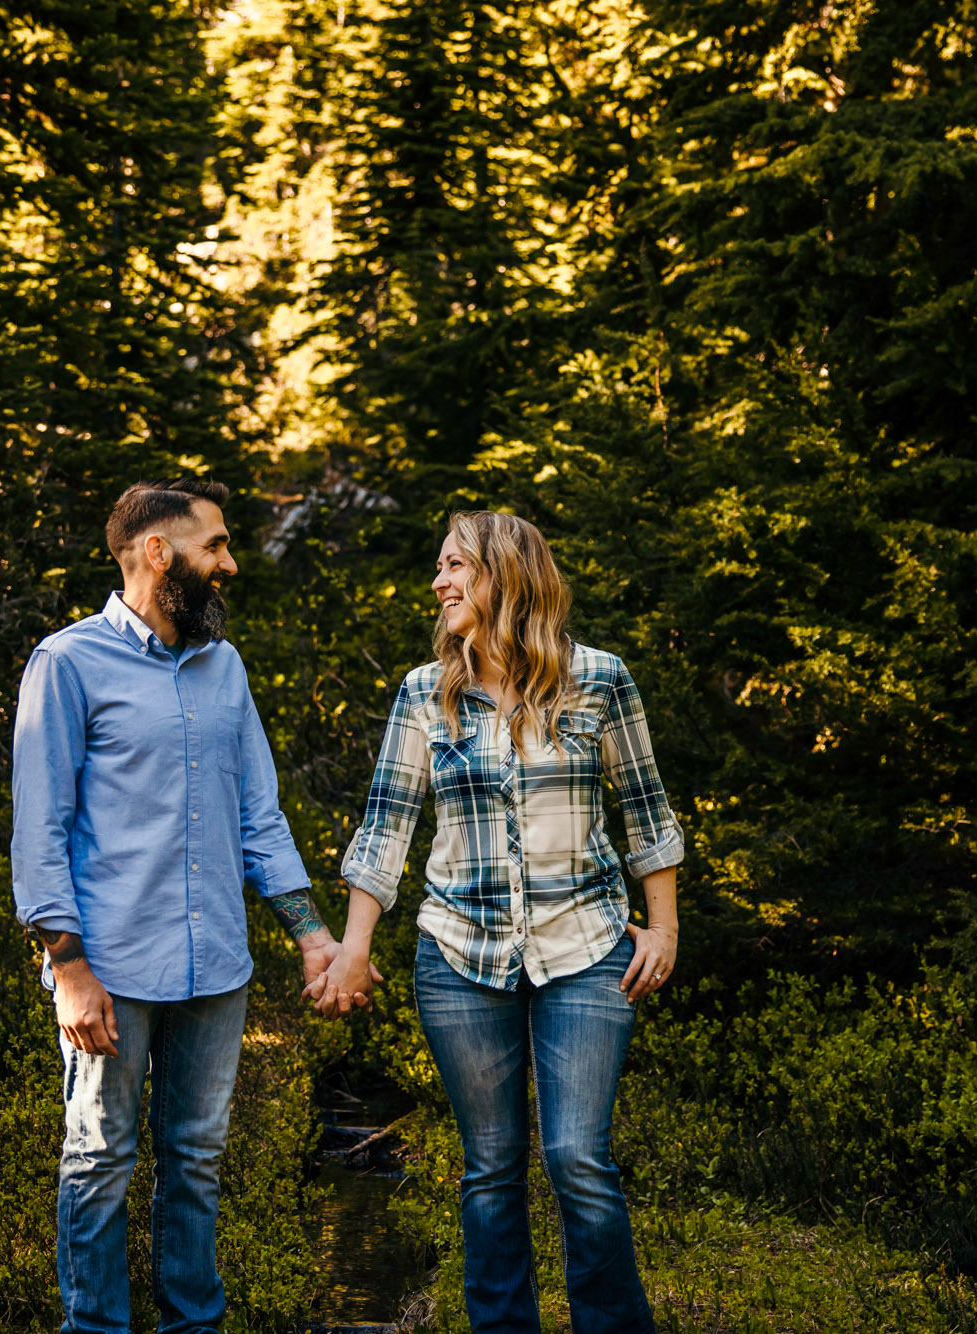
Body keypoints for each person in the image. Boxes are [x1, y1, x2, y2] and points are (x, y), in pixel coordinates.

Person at [311, 510, 683, 1334]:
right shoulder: (423, 692)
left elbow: (646, 810)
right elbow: (386, 826)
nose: (438, 583)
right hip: (458, 956)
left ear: (505, 576)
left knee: (578, 1159)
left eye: (454, 567)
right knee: (489, 1170)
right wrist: (353, 950)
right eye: (439, 568)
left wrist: (663, 929)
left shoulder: (601, 680)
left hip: (586, 947)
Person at [12, 477, 364, 1334]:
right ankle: (94, 1328)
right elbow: (39, 832)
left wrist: (312, 935)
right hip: (112, 969)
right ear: (158, 553)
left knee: (197, 1162)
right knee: (99, 1159)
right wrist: (68, 969)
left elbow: (258, 814)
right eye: (216, 546)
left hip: (217, 970)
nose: (230, 563)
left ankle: (191, 1327)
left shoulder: (224, 665)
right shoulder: (68, 663)